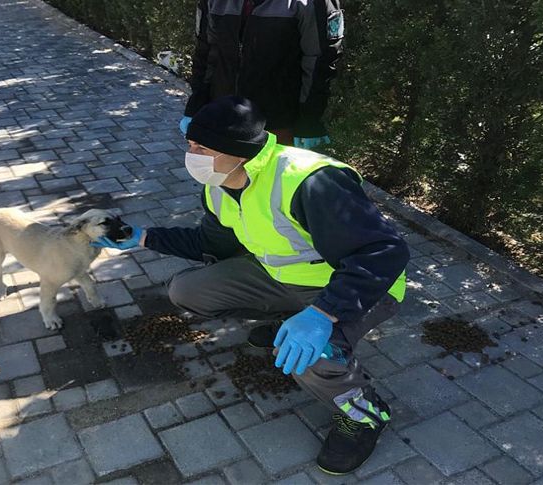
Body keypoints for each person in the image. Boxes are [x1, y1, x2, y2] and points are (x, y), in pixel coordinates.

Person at [95, 96, 408, 475]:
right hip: (282, 279)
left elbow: (384, 252)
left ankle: (364, 415)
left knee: (314, 356)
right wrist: (145, 237)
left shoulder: (308, 180)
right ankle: (289, 322)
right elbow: (211, 245)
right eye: (190, 145)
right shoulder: (219, 183)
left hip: (357, 289)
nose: (191, 156)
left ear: (237, 151)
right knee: (186, 291)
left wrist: (323, 314)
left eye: (202, 148)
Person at [179, 0, 344, 150]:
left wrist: (309, 119)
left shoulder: (312, 3)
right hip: (222, 117)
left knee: (273, 181)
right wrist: (196, 104)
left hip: (277, 125)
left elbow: (319, 61)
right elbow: (206, 51)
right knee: (222, 180)